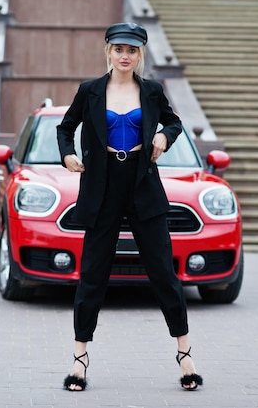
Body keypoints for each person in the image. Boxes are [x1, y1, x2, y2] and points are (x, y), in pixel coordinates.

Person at [56, 22, 203, 392]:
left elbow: (175, 123)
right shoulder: (90, 91)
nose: (125, 56)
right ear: (107, 50)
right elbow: (65, 127)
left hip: (142, 185)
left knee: (163, 274)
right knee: (92, 276)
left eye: (133, 50)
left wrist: (163, 137)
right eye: (119, 49)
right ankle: (79, 361)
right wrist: (68, 155)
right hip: (102, 188)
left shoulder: (151, 91)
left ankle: (186, 358)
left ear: (140, 55)